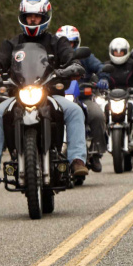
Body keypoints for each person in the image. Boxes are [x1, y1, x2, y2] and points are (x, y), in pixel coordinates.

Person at [0, 0, 88, 182]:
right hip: (19, 95)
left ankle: (77, 159)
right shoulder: (11, 44)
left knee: (75, 111)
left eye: (36, 16)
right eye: (28, 16)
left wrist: (74, 67)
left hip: (51, 95)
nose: (32, 20)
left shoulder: (58, 42)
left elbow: (71, 59)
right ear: (22, 17)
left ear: (45, 17)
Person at [56, 25, 105, 172]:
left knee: (97, 115)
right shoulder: (52, 57)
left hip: (83, 98)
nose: (68, 47)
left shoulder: (85, 57)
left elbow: (100, 67)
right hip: (58, 97)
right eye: (65, 43)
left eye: (71, 43)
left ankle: (96, 152)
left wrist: (103, 79)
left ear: (77, 42)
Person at [100, 37, 133, 151]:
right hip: (110, 97)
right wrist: (100, 82)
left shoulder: (132, 64)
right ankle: (102, 141)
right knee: (100, 115)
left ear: (126, 52)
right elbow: (101, 76)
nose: (118, 54)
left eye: (121, 52)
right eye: (115, 52)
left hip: (129, 96)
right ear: (111, 52)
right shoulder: (106, 65)